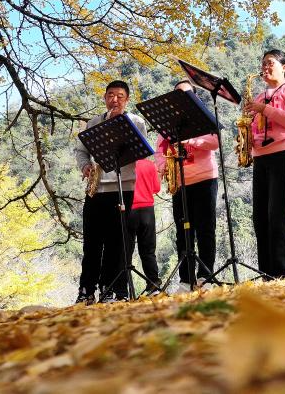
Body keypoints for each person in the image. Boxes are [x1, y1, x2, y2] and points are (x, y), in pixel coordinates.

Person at [74, 80, 148, 304]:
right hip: (97, 189)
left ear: (127, 99)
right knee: (92, 243)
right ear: (105, 98)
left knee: (118, 243)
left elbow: (141, 152)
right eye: (110, 95)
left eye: (120, 96)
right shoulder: (94, 122)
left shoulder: (137, 122)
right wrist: (84, 165)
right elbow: (81, 150)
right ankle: (86, 290)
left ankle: (111, 289)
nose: (114, 100)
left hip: (125, 187)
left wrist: (121, 128)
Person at [243, 49, 285, 279]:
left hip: (283, 154)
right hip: (261, 158)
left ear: (284, 67)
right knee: (261, 218)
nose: (265, 68)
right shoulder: (259, 97)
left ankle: (283, 273)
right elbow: (255, 128)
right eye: (263, 64)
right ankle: (266, 273)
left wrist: (264, 109)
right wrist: (246, 136)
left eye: (270, 63)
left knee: (280, 217)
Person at [155, 81, 219, 292]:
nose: (182, 98)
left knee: (206, 230)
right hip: (180, 182)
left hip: (205, 179)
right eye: (178, 95)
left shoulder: (203, 115)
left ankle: (206, 277)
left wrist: (191, 141)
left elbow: (215, 142)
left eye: (187, 94)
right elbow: (159, 149)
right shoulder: (168, 121)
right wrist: (163, 166)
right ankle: (186, 279)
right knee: (183, 233)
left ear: (195, 97)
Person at [128, 156, 161, 294]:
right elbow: (156, 188)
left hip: (129, 209)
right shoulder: (150, 165)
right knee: (148, 251)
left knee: (126, 251)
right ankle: (153, 284)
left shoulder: (126, 166)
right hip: (147, 210)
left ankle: (122, 291)